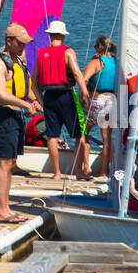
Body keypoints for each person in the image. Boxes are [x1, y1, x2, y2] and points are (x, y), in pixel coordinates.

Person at [0, 23, 41, 224]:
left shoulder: (18, 60)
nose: (23, 46)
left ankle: (6, 208)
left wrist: (33, 100)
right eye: (19, 42)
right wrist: (26, 105)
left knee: (10, 164)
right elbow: (2, 95)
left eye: (25, 43)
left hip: (16, 116)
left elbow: (24, 87)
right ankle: (1, 211)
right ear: (9, 41)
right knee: (4, 163)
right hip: (5, 116)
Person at [33, 20, 90, 180]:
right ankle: (79, 172)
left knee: (52, 136)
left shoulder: (40, 54)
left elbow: (33, 82)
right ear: (63, 36)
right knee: (79, 135)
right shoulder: (68, 52)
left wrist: (41, 100)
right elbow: (78, 74)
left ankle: (57, 173)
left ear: (50, 35)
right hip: (66, 95)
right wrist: (84, 93)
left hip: (49, 97)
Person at [81, 36, 119, 178]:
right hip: (112, 101)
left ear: (99, 47)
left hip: (96, 101)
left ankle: (86, 168)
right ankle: (104, 172)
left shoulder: (97, 62)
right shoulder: (117, 61)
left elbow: (84, 80)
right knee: (107, 138)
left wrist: (82, 98)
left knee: (84, 132)